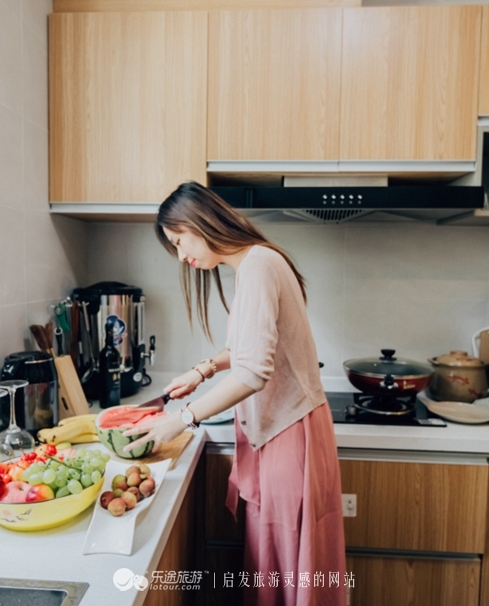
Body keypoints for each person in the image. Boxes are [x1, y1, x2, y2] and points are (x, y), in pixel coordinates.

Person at [123, 182, 347, 606]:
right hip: (278, 432)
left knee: (287, 569)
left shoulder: (259, 264)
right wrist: (202, 370)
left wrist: (180, 419)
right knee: (274, 566)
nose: (182, 257)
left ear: (197, 222)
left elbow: (253, 371)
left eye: (178, 242)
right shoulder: (254, 264)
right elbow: (253, 346)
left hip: (290, 434)